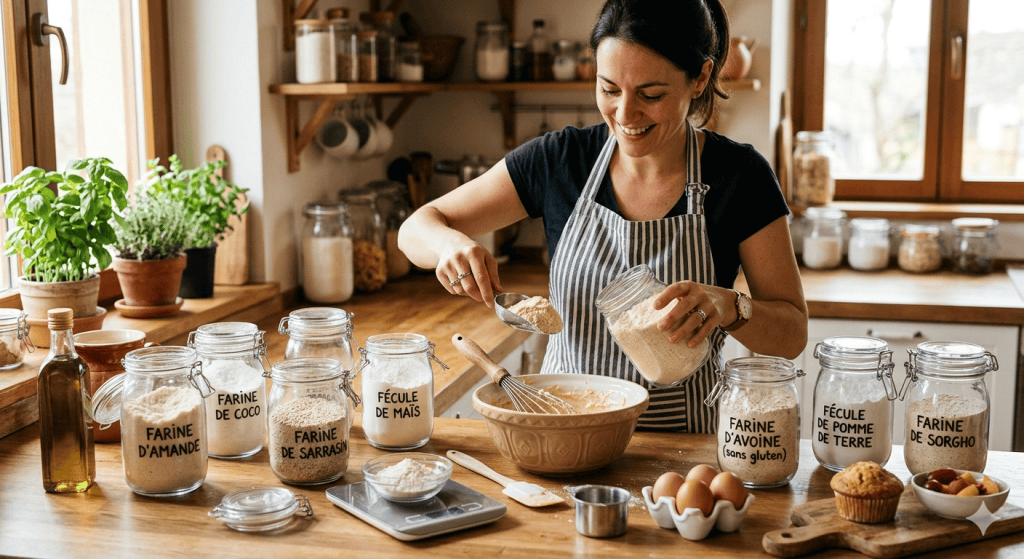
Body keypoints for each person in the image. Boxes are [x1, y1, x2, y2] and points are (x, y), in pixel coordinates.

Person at [398, 0, 808, 432]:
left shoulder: (739, 177)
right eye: (609, 89)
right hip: (565, 435)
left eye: (651, 95)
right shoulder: (560, 161)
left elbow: (792, 334)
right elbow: (417, 227)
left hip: (683, 451)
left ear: (700, 78)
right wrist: (451, 244)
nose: (625, 115)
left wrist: (730, 306)